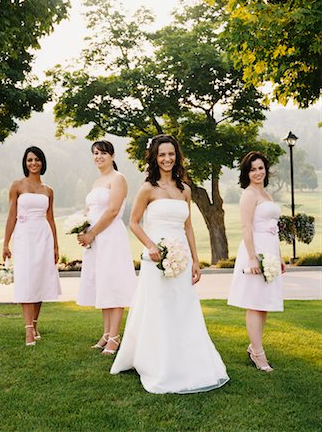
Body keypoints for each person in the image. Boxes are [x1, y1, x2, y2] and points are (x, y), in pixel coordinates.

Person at [110, 134, 229, 394]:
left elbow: (187, 227)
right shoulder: (147, 188)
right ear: (154, 157)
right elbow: (133, 222)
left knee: (183, 309)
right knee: (158, 309)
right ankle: (157, 362)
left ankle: (187, 360)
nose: (167, 159)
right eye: (162, 154)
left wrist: (196, 260)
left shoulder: (185, 189)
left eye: (171, 154)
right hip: (156, 260)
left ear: (177, 156)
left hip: (182, 259)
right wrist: (151, 247)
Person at [227, 151, 286, 372]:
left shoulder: (267, 195)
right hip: (256, 250)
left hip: (270, 250)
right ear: (247, 173)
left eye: (261, 168)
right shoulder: (249, 195)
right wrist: (252, 257)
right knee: (254, 303)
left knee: (264, 304)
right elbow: (246, 227)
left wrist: (278, 257)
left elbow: (273, 229)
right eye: (253, 169)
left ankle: (254, 347)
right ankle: (259, 355)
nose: (258, 172)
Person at [77, 140, 136, 355]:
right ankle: (105, 334)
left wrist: (92, 232)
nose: (98, 157)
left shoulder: (118, 179)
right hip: (95, 240)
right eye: (95, 153)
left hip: (110, 236)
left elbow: (111, 211)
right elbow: (89, 210)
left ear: (112, 156)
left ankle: (115, 336)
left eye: (102, 153)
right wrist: (82, 229)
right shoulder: (97, 182)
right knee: (102, 283)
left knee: (113, 283)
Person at [3, 146, 61, 346]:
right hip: (24, 236)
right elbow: (11, 215)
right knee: (27, 279)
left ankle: (35, 324)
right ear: (25, 163)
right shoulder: (17, 185)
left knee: (40, 280)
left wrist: (55, 246)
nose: (33, 163)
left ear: (42, 162)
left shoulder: (48, 190)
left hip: (43, 237)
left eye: (37, 159)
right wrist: (5, 242)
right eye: (30, 160)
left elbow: (51, 219)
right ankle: (28, 329)